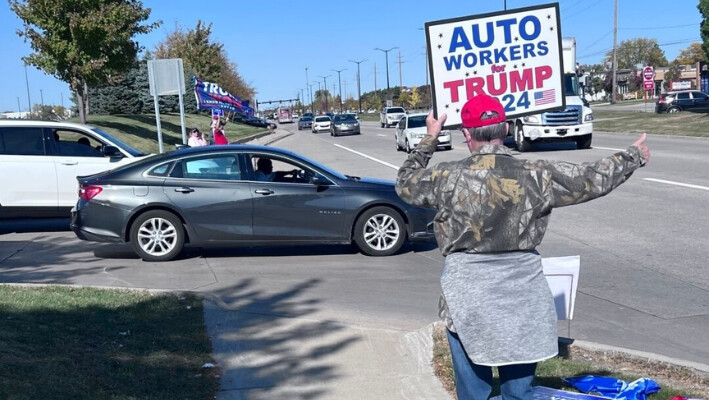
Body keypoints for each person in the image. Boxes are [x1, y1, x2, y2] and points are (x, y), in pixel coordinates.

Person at [395, 94, 650, 400]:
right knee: (519, 391)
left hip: (466, 297)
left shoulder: (447, 176)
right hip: (522, 295)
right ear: (504, 130)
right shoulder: (537, 173)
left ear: (466, 133)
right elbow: (590, 179)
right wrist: (632, 155)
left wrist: (431, 136)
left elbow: (406, 182)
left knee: (474, 392)